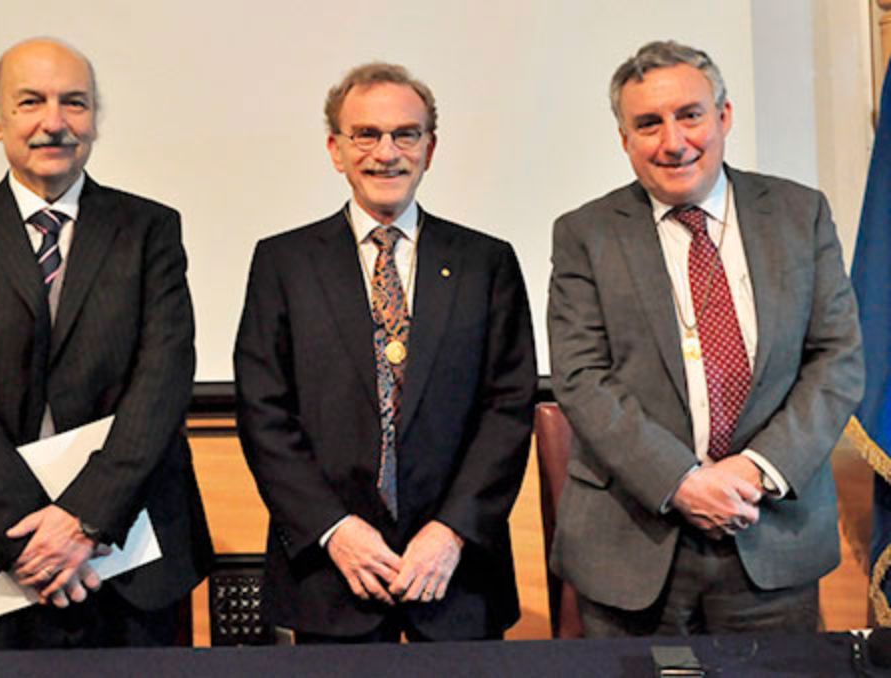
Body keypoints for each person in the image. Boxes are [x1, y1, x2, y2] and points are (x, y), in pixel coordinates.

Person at [0, 37, 213, 648]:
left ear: (95, 118)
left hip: (129, 560)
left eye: (75, 103)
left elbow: (162, 384)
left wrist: (85, 522)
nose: (54, 122)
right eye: (30, 102)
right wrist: (28, 539)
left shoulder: (150, 230)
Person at [547, 40, 864, 636]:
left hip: (771, 533)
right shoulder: (584, 234)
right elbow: (582, 377)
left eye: (690, 114)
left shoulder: (800, 214)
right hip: (632, 545)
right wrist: (683, 481)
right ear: (624, 139)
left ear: (725, 116)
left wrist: (756, 470)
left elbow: (837, 359)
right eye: (648, 124)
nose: (673, 141)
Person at [234, 62, 536, 642]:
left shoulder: (485, 263)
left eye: (406, 134)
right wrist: (335, 530)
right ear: (335, 149)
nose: (386, 152)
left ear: (430, 147)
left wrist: (450, 533)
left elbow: (508, 409)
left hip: (457, 576)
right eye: (365, 135)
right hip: (331, 575)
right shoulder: (284, 263)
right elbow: (263, 412)